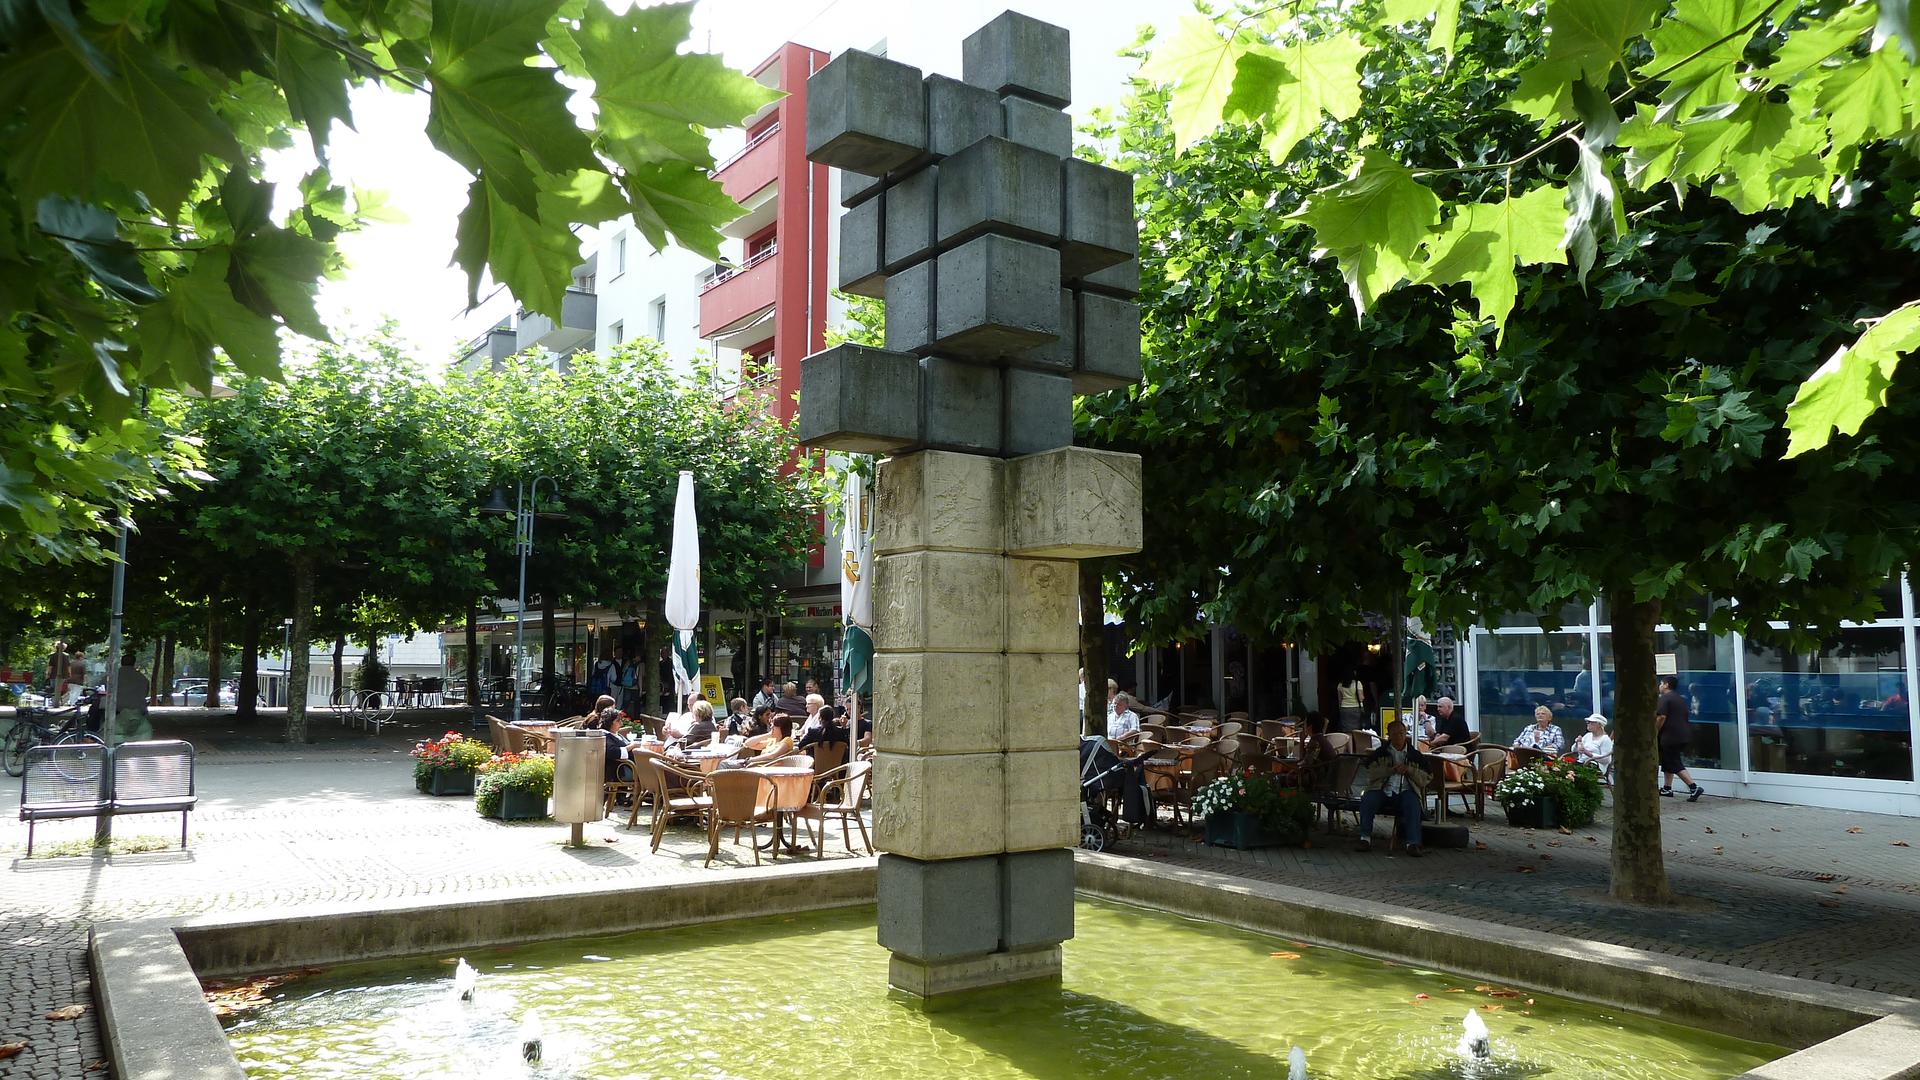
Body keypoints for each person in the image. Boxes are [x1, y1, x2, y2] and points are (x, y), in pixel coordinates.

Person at [1355, 720, 1427, 857]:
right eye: (1395, 734)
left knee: (1412, 803)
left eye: (1401, 733)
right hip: (1382, 789)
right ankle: (1365, 838)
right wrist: (1390, 770)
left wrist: (1410, 770)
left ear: (1405, 734)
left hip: (1406, 790)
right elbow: (1370, 773)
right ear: (1389, 735)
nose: (1399, 737)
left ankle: (1412, 843)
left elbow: (1426, 777)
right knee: (1368, 799)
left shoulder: (1415, 755)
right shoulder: (1380, 753)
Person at [1657, 675, 1704, 801]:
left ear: (1666, 685)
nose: (1659, 686)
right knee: (1668, 761)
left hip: (1670, 736)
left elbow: (1661, 717)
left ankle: (1693, 787)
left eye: (1661, 683)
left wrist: (1655, 730)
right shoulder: (1679, 698)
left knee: (1673, 762)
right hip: (1682, 734)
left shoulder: (1665, 698)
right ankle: (1667, 788)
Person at [112, 652, 152, 745]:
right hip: (139, 710)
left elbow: (104, 690)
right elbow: (145, 692)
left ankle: (92, 734)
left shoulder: (112, 677)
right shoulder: (142, 678)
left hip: (117, 709)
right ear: (134, 663)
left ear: (121, 662)